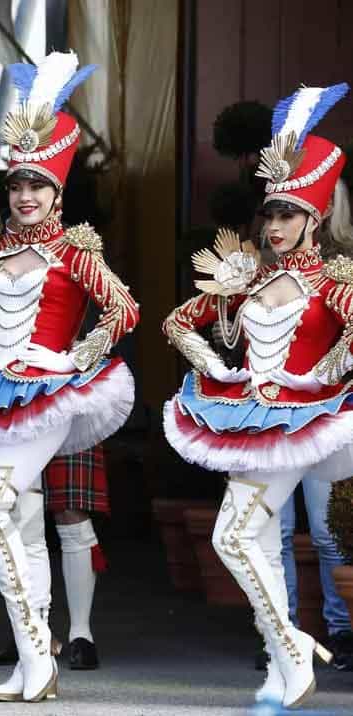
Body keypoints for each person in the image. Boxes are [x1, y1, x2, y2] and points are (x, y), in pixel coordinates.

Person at [0, 50, 138, 703]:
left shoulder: (77, 250)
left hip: (50, 394)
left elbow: (123, 308)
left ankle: (40, 652)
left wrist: (71, 358)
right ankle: (30, 656)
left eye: (37, 187)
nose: (24, 196)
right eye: (16, 185)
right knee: (17, 518)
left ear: (57, 193)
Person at [162, 82, 352, 710]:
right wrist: (216, 362)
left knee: (231, 537)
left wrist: (327, 369)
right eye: (269, 214)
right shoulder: (246, 279)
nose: (274, 226)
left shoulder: (333, 281)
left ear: (314, 218)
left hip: (304, 417)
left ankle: (295, 646)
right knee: (259, 542)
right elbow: (175, 321)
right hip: (248, 414)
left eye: (288, 215)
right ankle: (281, 666)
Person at [0, 444, 110, 671]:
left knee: (71, 511)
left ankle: (82, 636)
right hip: (13, 414)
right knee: (16, 513)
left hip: (66, 413)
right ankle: (28, 633)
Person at [277, 484, 353, 671]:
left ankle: (343, 631)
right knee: (277, 535)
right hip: (273, 454)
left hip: (317, 454)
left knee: (328, 534)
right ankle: (282, 631)